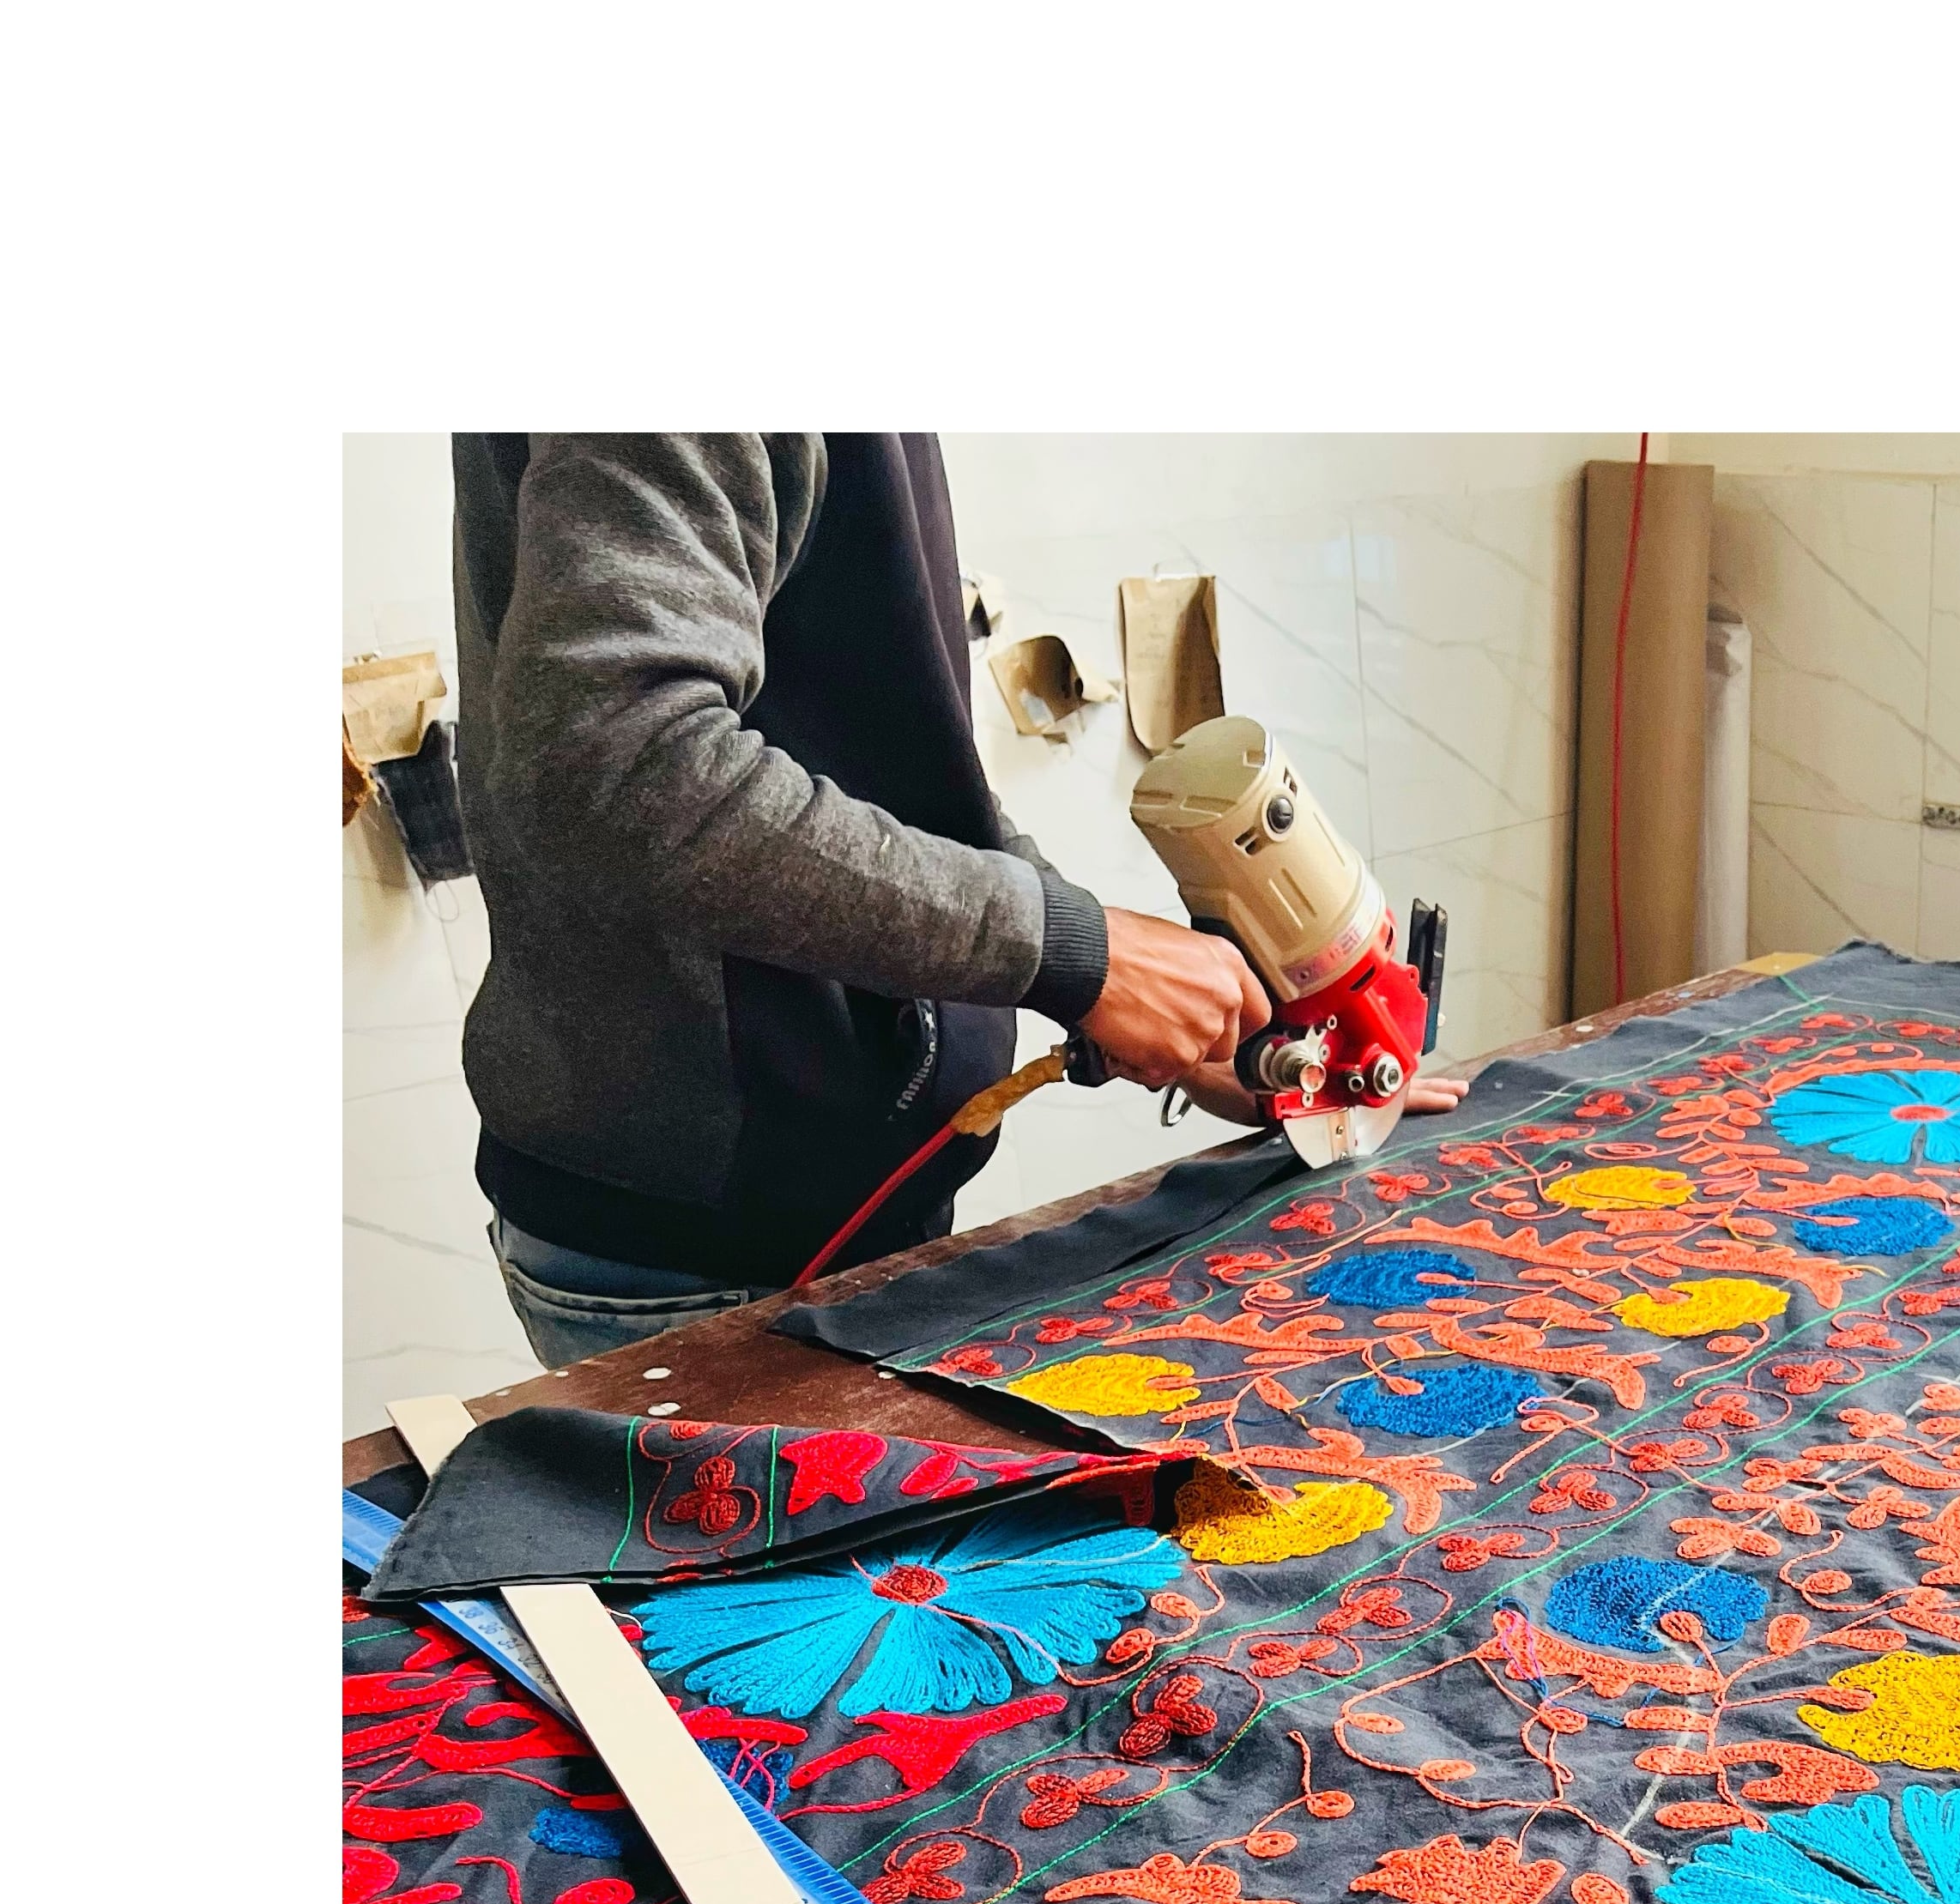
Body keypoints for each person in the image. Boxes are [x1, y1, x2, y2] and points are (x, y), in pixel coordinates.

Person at [448, 434, 1464, 1368]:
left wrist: (1117, 986)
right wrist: (1075, 953)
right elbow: (620, 763)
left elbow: (884, 779)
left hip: (835, 1206)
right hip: (698, 1252)